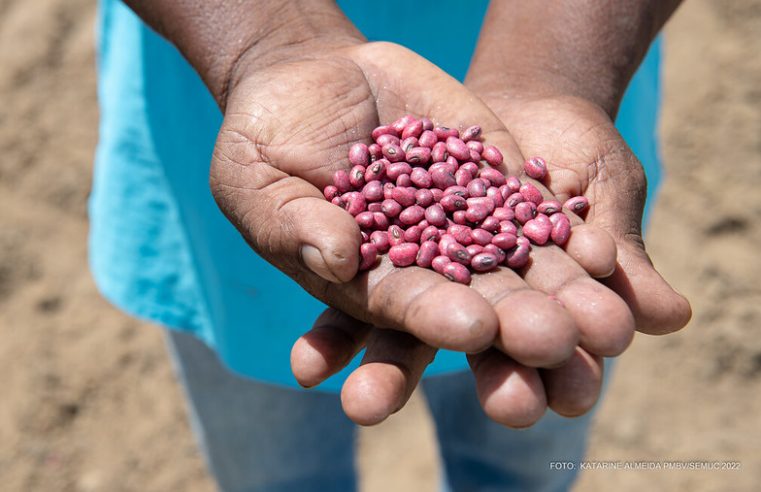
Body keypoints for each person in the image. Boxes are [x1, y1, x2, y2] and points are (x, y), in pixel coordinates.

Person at [91, 0, 691, 490]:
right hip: (219, 77)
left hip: (572, 33)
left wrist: (558, 71)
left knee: (518, 462)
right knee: (276, 473)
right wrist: (266, 40)